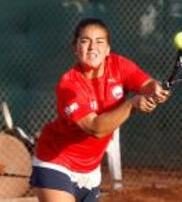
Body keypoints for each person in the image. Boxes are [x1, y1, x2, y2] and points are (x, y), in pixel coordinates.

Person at [29, 17, 170, 202]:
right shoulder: (69, 84)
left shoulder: (119, 66)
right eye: (85, 41)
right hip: (55, 162)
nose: (92, 47)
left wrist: (156, 90)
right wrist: (131, 104)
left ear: (108, 49)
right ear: (75, 48)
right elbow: (96, 128)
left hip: (91, 170)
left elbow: (147, 84)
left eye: (99, 42)